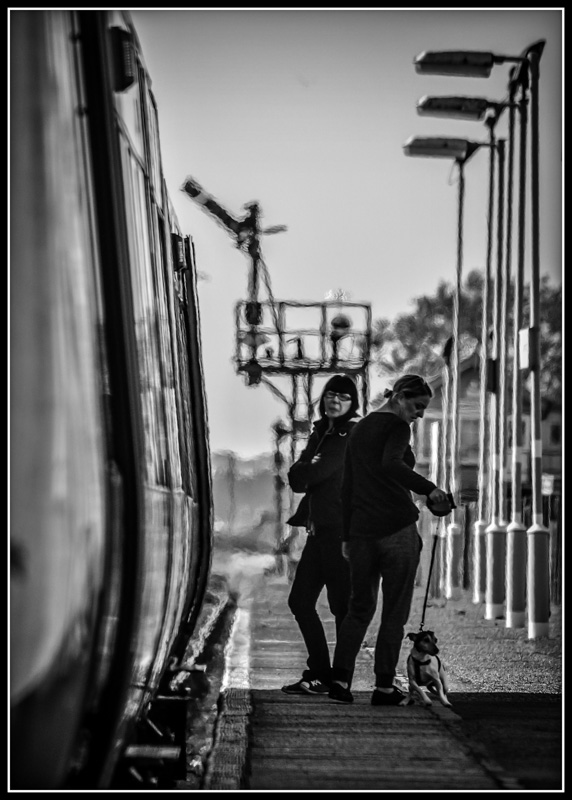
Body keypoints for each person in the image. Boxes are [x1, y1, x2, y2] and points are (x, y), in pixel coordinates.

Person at [328, 374, 450, 705]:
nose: (419, 414)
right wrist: (430, 489)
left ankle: (339, 680)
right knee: (394, 612)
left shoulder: (359, 429)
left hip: (361, 534)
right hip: (396, 530)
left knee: (359, 608)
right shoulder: (397, 426)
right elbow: (392, 464)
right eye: (417, 406)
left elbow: (347, 485)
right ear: (399, 397)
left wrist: (346, 535)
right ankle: (383, 687)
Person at [281, 374, 360, 696]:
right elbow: (297, 479)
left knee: (342, 608)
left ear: (353, 403)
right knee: (300, 601)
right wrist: (310, 467)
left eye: (343, 396)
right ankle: (320, 673)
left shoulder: (349, 434)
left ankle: (339, 678)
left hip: (341, 534)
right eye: (330, 394)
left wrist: (311, 466)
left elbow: (316, 472)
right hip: (318, 533)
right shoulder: (320, 432)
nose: (335, 401)